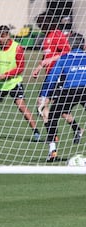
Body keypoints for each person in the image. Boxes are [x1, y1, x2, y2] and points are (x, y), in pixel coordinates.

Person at [0, 25, 41, 141]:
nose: (1, 39)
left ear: (8, 35)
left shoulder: (17, 48)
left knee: (22, 107)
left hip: (13, 83)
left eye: (3, 36)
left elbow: (21, 68)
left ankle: (36, 132)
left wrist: (6, 75)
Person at [32, 12, 82, 141]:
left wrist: (50, 60)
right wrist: (39, 67)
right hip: (50, 76)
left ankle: (53, 136)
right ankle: (71, 131)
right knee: (50, 108)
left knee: (48, 106)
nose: (39, 26)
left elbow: (67, 52)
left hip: (60, 76)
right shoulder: (46, 36)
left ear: (47, 23)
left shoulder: (57, 35)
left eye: (40, 24)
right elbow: (46, 56)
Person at [41, 33, 86, 162]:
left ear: (69, 45)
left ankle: (52, 151)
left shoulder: (64, 58)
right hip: (85, 90)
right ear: (83, 45)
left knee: (53, 116)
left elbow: (51, 78)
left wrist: (44, 95)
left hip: (68, 91)